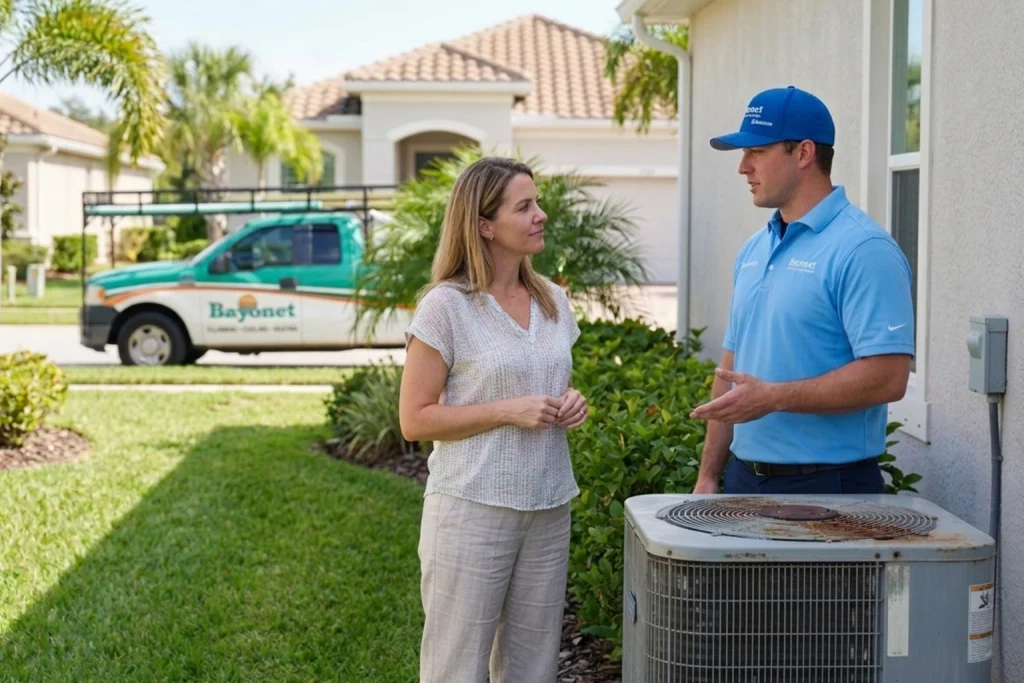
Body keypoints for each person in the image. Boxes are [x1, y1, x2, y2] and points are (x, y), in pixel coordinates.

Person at [398, 156, 588, 682]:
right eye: (524, 206)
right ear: (485, 225)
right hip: (472, 508)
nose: (540, 215)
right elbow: (415, 419)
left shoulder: (553, 300)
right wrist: (509, 411)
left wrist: (571, 401)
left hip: (548, 504)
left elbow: (544, 377)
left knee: (533, 669)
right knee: (456, 668)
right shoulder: (446, 307)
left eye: (537, 203)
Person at [689, 85, 915, 495]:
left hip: (831, 485)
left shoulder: (864, 250)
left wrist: (774, 398)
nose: (743, 167)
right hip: (743, 479)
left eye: (756, 151)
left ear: (804, 153)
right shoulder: (755, 249)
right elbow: (730, 369)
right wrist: (708, 475)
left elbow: (889, 377)